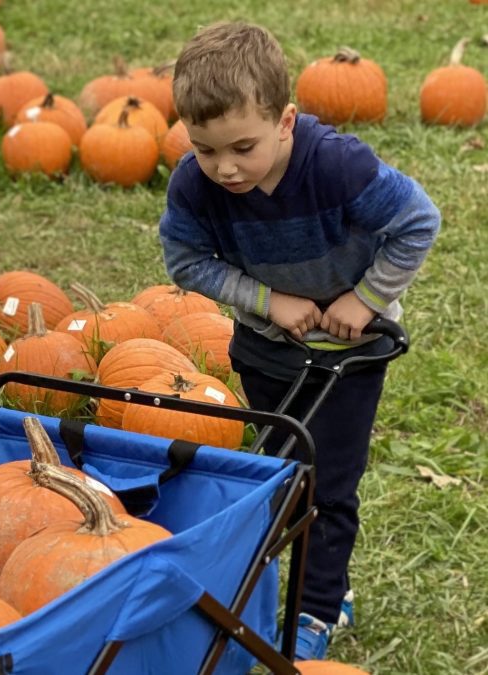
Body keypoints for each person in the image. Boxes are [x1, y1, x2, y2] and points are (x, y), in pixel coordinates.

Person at [159, 22, 440, 660]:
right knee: (276, 471)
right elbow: (185, 263)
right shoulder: (194, 185)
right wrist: (267, 301)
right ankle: (274, 576)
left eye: (242, 147)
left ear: (286, 121)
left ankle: (318, 606)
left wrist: (365, 300)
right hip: (265, 344)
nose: (225, 167)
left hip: (349, 352)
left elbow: (418, 222)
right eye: (205, 149)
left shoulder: (337, 167)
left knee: (329, 482)